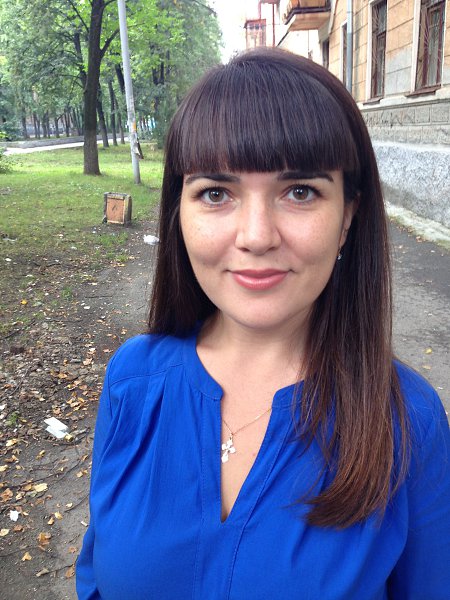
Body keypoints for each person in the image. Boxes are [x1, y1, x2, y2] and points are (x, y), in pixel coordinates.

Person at [76, 48, 450, 599]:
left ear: (347, 216)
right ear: (179, 213)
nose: (256, 236)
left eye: (300, 192)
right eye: (216, 193)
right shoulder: (131, 381)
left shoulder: (408, 424)